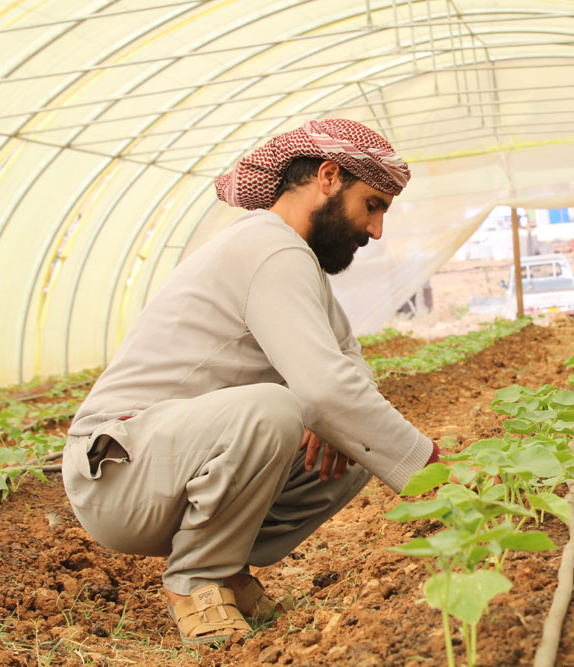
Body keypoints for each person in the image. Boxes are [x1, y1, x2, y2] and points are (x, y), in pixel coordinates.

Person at [61, 119, 440, 646]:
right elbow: (326, 391)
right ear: (328, 177)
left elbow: (348, 364)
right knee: (281, 410)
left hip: (168, 462)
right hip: (118, 470)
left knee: (353, 443)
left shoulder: (294, 259)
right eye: (372, 206)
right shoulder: (269, 248)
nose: (375, 231)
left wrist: (338, 421)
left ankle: (225, 564)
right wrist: (439, 479)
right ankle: (197, 580)